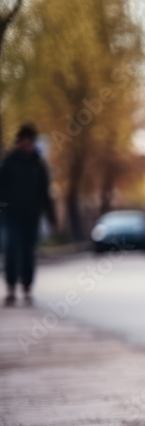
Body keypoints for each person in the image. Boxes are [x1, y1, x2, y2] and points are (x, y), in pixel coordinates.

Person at [0, 123, 56, 307]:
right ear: (18, 142)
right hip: (11, 215)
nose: (25, 145)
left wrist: (51, 216)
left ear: (32, 143)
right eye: (22, 141)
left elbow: (46, 193)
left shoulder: (39, 165)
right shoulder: (9, 162)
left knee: (28, 252)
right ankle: (10, 288)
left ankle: (26, 287)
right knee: (12, 249)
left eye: (29, 142)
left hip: (31, 216)